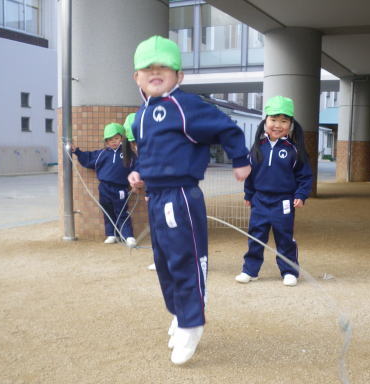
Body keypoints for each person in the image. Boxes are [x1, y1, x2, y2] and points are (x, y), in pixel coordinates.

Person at [128, 35, 251, 365]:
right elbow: (147, 153)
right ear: (136, 77)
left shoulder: (186, 106)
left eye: (164, 67)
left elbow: (227, 128)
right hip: (155, 197)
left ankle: (192, 322)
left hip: (181, 195)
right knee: (164, 262)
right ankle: (180, 313)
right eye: (148, 68)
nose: (156, 72)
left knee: (186, 260)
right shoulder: (140, 116)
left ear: (179, 76)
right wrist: (139, 172)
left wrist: (240, 160)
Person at [235, 95, 312, 287]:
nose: (277, 125)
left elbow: (305, 176)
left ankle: (289, 271)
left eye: (284, 121)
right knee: (256, 236)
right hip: (259, 201)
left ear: (291, 124)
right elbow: (250, 174)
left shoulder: (294, 150)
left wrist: (301, 195)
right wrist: (248, 194)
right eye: (273, 120)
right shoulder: (257, 147)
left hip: (283, 202)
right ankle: (250, 270)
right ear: (265, 121)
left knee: (284, 237)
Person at [72, 123, 136, 247]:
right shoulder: (102, 153)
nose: (113, 142)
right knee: (107, 211)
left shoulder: (129, 153)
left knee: (122, 211)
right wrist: (77, 152)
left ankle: (128, 236)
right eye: (110, 139)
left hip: (120, 188)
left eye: (116, 138)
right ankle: (111, 234)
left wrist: (135, 183)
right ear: (106, 141)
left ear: (122, 138)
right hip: (104, 187)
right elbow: (88, 157)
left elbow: (136, 168)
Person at [124, 112, 155, 272]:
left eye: (137, 142)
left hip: (170, 194)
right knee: (158, 229)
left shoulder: (161, 148)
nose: (136, 147)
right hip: (154, 195)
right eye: (133, 143)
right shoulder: (142, 154)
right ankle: (161, 259)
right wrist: (138, 178)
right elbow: (143, 168)